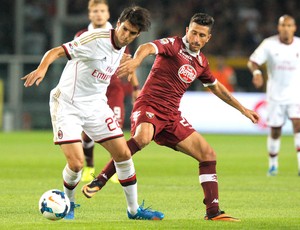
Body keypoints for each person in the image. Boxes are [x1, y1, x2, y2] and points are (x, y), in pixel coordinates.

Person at [82, 13, 259, 221]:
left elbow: (217, 88)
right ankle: (100, 180)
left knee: (208, 155)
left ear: (208, 38)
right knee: (142, 138)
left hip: (171, 116)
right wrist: (136, 62)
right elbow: (147, 47)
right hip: (148, 106)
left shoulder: (201, 62)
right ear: (187, 30)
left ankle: (213, 212)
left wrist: (243, 109)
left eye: (201, 35)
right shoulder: (173, 45)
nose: (196, 39)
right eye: (193, 33)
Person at [22, 6, 164, 221]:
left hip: (96, 105)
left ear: (137, 35)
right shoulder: (94, 39)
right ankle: (68, 205)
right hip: (67, 104)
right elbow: (56, 51)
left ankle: (134, 211)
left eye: (132, 33)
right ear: (118, 23)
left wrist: (135, 86)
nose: (126, 35)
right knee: (77, 164)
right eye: (124, 29)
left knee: (124, 154)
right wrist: (42, 68)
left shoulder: (123, 50)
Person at [75, 0, 140, 183]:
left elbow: (128, 64)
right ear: (90, 14)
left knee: (115, 129)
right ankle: (89, 166)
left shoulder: (121, 34)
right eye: (95, 11)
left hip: (113, 89)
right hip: (90, 90)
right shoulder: (82, 35)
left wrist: (135, 87)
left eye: (102, 10)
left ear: (108, 14)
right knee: (87, 131)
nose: (98, 14)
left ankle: (114, 169)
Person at [247, 15, 300, 176]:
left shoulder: (299, 45)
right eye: (283, 25)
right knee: (275, 130)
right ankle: (273, 165)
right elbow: (252, 61)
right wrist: (256, 72)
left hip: (296, 95)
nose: (286, 28)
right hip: (275, 96)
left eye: (289, 25)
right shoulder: (269, 44)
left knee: (298, 125)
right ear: (279, 28)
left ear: (294, 28)